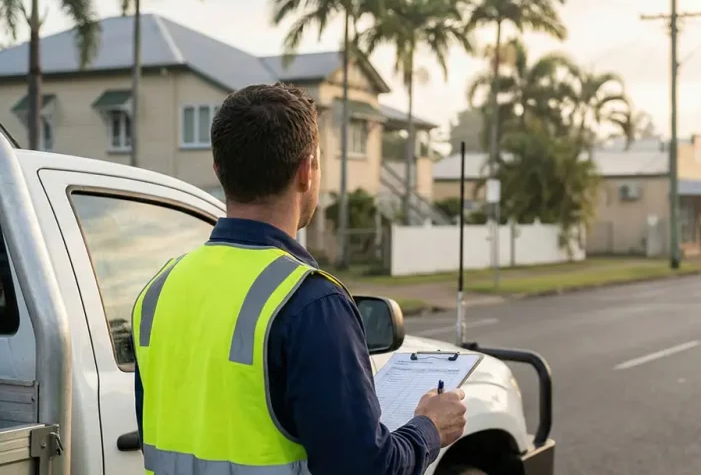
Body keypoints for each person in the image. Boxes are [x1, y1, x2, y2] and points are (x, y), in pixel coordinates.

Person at [132, 83, 467, 474]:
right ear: (307, 171)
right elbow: (366, 469)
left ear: (219, 170)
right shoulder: (311, 303)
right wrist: (429, 428)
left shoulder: (158, 290)